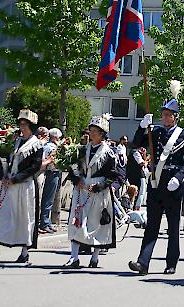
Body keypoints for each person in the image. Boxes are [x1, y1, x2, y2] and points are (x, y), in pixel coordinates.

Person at [128, 97, 184, 275]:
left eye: (168, 115)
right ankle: (143, 263)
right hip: (156, 183)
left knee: (173, 227)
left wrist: (179, 178)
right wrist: (142, 127)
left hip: (173, 184)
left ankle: (171, 262)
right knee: (152, 226)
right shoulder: (155, 132)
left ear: (175, 117)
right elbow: (136, 143)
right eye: (163, 115)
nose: (164, 118)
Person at [0, 110, 50, 263]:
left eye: (25, 124)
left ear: (31, 126)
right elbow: (6, 160)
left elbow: (35, 166)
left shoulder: (37, 145)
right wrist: (3, 174)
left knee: (24, 218)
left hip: (24, 186)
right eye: (21, 124)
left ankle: (25, 252)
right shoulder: (15, 141)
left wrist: (16, 179)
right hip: (9, 185)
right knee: (1, 216)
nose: (22, 127)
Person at [63, 115, 119, 268]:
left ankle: (94, 257)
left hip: (98, 191)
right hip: (82, 189)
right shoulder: (82, 150)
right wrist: (77, 179)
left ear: (102, 134)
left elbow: (112, 175)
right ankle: (74, 257)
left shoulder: (108, 153)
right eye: (91, 130)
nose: (92, 133)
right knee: (77, 220)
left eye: (95, 131)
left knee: (96, 223)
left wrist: (100, 186)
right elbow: (73, 169)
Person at [39, 127, 62, 234]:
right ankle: (44, 222)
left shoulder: (55, 146)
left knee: (51, 199)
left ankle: (47, 222)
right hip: (51, 172)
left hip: (56, 172)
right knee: (48, 198)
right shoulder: (49, 147)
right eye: (58, 137)